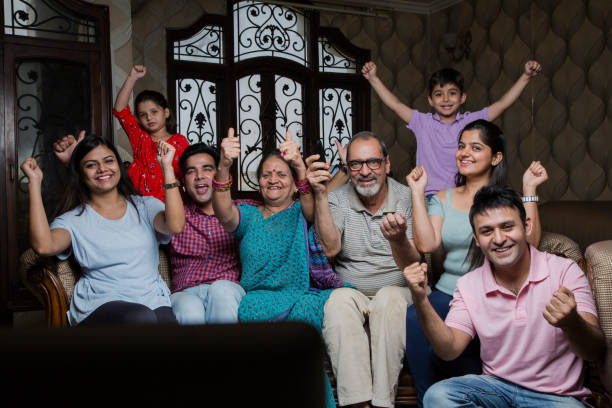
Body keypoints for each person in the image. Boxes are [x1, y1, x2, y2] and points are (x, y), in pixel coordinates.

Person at [403, 185, 604, 407]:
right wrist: (421, 301)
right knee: (438, 395)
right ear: (477, 239)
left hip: (556, 397)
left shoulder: (564, 271)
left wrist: (571, 322)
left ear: (527, 226)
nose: (499, 239)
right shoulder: (469, 284)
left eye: (507, 227)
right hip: (496, 389)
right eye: (487, 231)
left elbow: (594, 351)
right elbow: (448, 350)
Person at [404, 119, 548, 406]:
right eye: (461, 146)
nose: (464, 153)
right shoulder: (443, 198)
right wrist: (418, 192)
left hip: (496, 293)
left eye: (475, 147)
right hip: (449, 292)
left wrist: (529, 188)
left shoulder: (507, 200)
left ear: (496, 157)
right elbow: (426, 245)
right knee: (415, 316)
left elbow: (530, 246)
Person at [212, 128, 343, 408]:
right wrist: (223, 165)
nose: (273, 180)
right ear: (258, 182)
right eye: (266, 175)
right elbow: (223, 211)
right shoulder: (247, 214)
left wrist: (298, 165)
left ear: (295, 184)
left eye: (281, 174)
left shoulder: (301, 211)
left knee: (302, 327)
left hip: (302, 295)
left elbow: (312, 207)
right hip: (257, 301)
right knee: (261, 324)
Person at [307, 130, 421, 408]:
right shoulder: (338, 198)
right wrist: (321, 195)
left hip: (400, 289)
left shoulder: (407, 198)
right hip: (353, 290)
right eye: (356, 164)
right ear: (347, 169)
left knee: (388, 300)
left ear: (387, 164)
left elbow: (413, 265)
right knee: (337, 302)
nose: (365, 171)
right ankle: (358, 404)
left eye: (373, 162)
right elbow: (331, 249)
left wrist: (398, 240)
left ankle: (382, 403)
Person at [21, 135, 185, 325]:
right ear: (80, 174)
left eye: (109, 161)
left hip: (152, 299)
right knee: (141, 318)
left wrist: (167, 168)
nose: (102, 169)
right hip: (101, 303)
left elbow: (175, 225)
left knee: (169, 328)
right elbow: (44, 246)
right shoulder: (73, 220)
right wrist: (34, 183)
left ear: (119, 166)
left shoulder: (145, 206)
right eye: (91, 165)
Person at [362, 60, 542, 196]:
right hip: (430, 196)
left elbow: (502, 104)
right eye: (439, 94)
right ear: (430, 101)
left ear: (462, 97)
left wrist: (526, 76)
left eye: (452, 93)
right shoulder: (422, 122)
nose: (446, 99)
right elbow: (395, 104)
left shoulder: (471, 121)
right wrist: (373, 78)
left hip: (465, 194)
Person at [169, 142, 250, 325]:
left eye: (207, 169)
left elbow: (280, 212)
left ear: (219, 174)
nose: (199, 177)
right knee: (189, 308)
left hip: (227, 289)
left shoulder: (242, 211)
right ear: (183, 180)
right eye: (191, 171)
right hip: (185, 292)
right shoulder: (176, 216)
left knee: (221, 290)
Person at [113, 65, 190, 201]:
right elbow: (120, 109)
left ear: (166, 113)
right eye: (143, 115)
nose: (149, 118)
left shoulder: (179, 142)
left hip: (171, 203)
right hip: (139, 202)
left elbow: (187, 174)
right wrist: (132, 77)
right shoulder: (139, 137)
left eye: (154, 112)